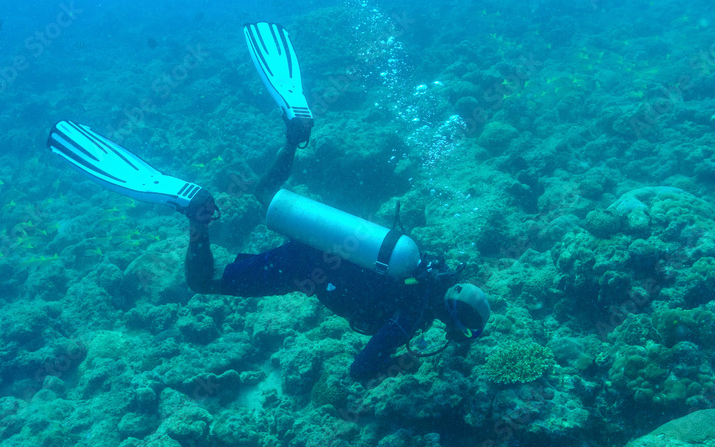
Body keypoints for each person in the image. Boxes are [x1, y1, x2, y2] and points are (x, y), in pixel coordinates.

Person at [48, 22, 490, 382]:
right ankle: (196, 214)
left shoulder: (431, 266)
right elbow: (359, 370)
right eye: (460, 331)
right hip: (305, 267)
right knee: (207, 281)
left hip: (328, 238)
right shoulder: (410, 319)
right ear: (451, 319)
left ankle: (293, 136)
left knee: (264, 196)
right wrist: (398, 363)